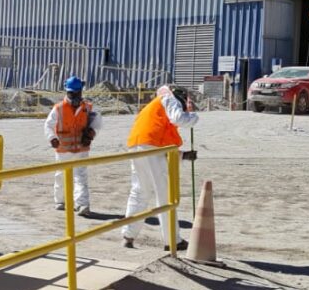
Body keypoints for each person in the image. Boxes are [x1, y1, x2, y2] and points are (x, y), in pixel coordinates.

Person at [121, 84, 198, 251]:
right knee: (165, 194)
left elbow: (162, 144)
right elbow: (179, 119)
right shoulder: (170, 99)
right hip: (150, 147)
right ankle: (173, 240)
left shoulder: (155, 108)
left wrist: (182, 155)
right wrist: (192, 116)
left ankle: (128, 234)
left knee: (140, 191)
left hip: (137, 146)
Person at [44, 76, 102, 216]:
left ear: (81, 92)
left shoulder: (88, 107)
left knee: (80, 176)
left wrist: (91, 133)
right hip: (63, 149)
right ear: (67, 92)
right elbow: (48, 125)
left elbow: (98, 122)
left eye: (77, 93)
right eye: (71, 93)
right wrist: (52, 138)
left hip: (81, 149)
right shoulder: (59, 108)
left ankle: (82, 205)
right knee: (61, 176)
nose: (74, 96)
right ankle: (60, 201)